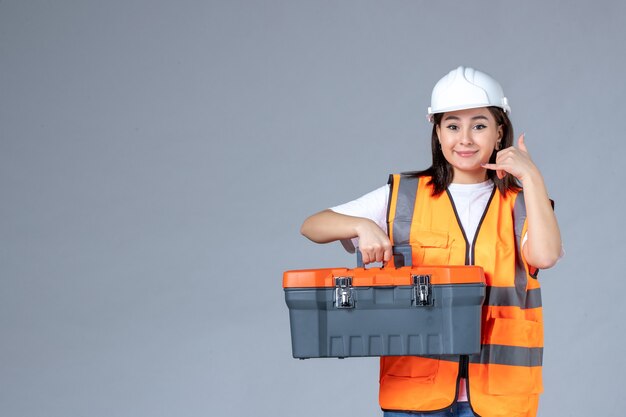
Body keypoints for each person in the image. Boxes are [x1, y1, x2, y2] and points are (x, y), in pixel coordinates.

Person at [300, 66, 562, 417]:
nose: (465, 139)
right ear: (437, 132)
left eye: (479, 125)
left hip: (501, 397)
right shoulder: (404, 196)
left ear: (500, 132)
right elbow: (313, 225)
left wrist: (531, 176)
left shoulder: (522, 202)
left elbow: (545, 256)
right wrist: (362, 225)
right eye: (453, 125)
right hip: (416, 394)